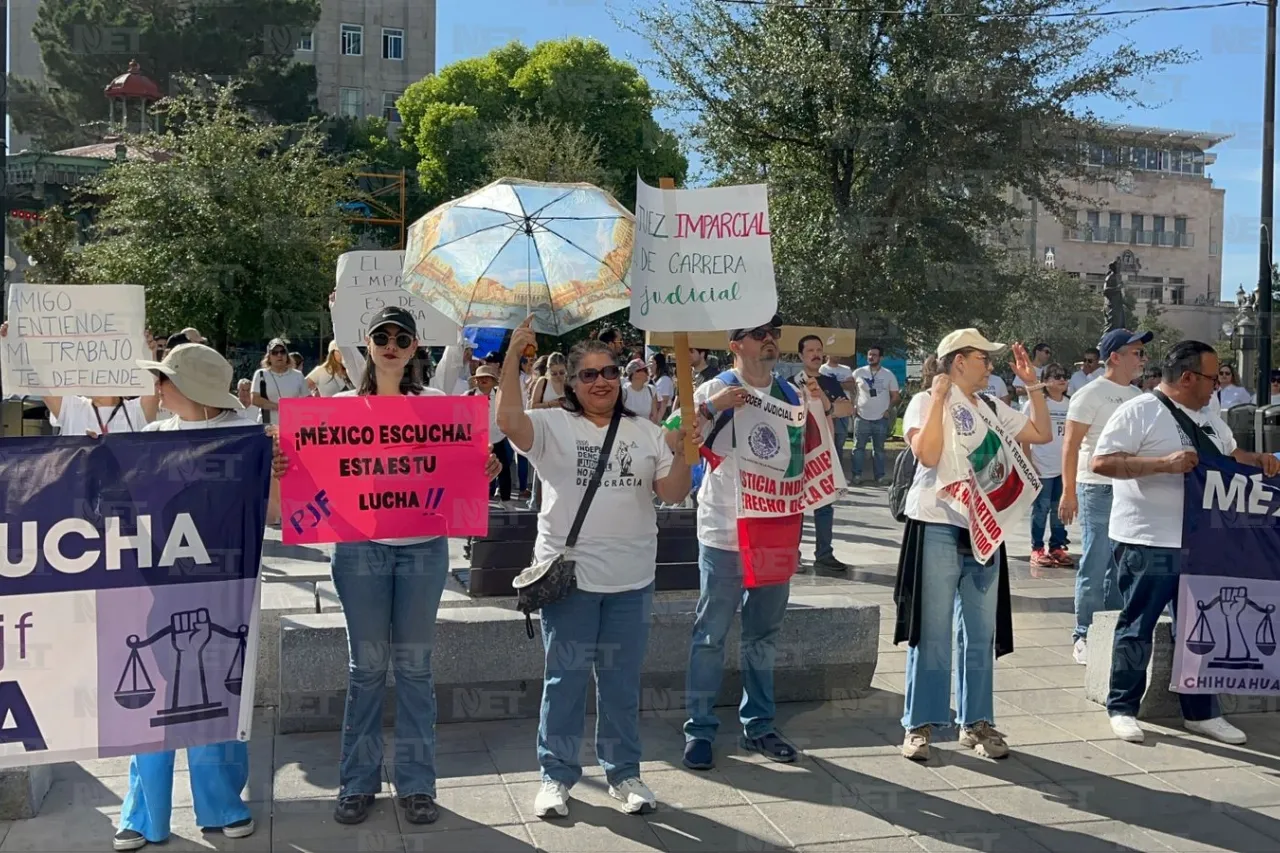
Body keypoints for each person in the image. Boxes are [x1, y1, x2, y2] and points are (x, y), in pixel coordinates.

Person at [498, 317, 694, 818]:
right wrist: (512, 360)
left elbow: (672, 495)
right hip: (571, 581)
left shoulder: (648, 433)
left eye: (608, 371)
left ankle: (624, 772)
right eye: (588, 374)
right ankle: (555, 775)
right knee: (564, 680)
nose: (601, 380)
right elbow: (508, 422)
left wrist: (686, 451)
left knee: (621, 683)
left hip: (632, 580)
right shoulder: (551, 425)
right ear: (571, 381)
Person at [328, 306, 501, 826]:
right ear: (367, 341)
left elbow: (467, 465)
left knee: (415, 667)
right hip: (359, 547)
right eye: (382, 334)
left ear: (414, 347)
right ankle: (356, 784)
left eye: (401, 337)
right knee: (367, 669)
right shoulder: (337, 408)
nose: (391, 343)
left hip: (425, 547)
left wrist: (485, 467)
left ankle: (418, 785)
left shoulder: (439, 406)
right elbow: (316, 474)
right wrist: (288, 466)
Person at [114, 341, 287, 851]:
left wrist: (275, 475)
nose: (157, 387)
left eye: (163, 378)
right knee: (152, 706)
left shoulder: (247, 438)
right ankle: (142, 815)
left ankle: (223, 807)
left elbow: (272, 517)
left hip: (225, 588)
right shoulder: (148, 439)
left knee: (220, 698)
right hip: (157, 590)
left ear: (187, 388)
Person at [1092, 340, 1280, 745]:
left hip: (1203, 541)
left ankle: (1201, 711)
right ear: (1189, 377)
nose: (1217, 385)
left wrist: (1258, 462)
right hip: (1149, 541)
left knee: (1199, 624)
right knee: (1137, 625)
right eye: (1212, 377)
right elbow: (1102, 462)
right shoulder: (1139, 410)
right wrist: (1163, 465)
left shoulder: (1211, 416)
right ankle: (1122, 706)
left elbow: (1231, 456)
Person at [895, 329, 1052, 762]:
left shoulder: (990, 405)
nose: (991, 365)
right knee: (933, 630)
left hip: (984, 528)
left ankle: (976, 722)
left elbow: (1040, 433)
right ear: (959, 361)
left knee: (980, 634)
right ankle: (919, 725)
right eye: (984, 358)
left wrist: (1032, 384)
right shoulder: (925, 401)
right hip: (938, 523)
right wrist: (941, 399)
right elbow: (926, 456)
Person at [683, 313, 822, 771]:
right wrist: (711, 408)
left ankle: (759, 725)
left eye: (774, 333)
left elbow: (811, 459)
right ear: (735, 344)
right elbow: (674, 443)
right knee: (710, 635)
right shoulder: (711, 388)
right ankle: (699, 729)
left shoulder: (790, 392)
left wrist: (821, 411)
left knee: (763, 636)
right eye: (759, 334)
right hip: (723, 530)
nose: (770, 341)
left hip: (774, 529)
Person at [1059, 329, 1150, 665]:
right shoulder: (1090, 393)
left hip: (1128, 489)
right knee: (1095, 562)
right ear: (1115, 356)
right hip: (1095, 487)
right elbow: (1070, 444)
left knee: (1119, 565)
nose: (1142, 359)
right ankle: (1083, 633)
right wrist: (1068, 491)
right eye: (1137, 352)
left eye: (1142, 353)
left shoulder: (1137, 395)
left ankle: (1109, 629)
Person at [0, 325, 161, 434]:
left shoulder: (136, 412)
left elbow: (153, 384)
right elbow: (36, 379)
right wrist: (14, 341)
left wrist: (149, 353)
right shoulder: (72, 407)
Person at [792, 334, 854, 571]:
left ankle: (824, 553)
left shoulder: (829, 382)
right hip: (798, 451)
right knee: (796, 504)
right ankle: (793, 553)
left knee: (825, 502)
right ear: (800, 355)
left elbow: (846, 408)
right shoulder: (789, 382)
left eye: (819, 350)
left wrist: (825, 401)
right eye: (810, 350)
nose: (816, 354)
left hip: (825, 450)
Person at [1020, 363, 1071, 571]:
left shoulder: (1071, 404)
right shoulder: (1036, 402)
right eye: (1056, 376)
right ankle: (1037, 548)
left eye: (1064, 376)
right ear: (1045, 381)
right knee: (1041, 508)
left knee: (1060, 509)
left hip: (1063, 467)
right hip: (1042, 466)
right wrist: (1028, 461)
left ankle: (1057, 546)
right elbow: (1023, 432)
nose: (1062, 380)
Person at [850, 345, 901, 484]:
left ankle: (880, 477)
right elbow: (851, 390)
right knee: (858, 448)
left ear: (881, 358)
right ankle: (856, 476)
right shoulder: (858, 373)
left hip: (880, 418)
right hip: (861, 416)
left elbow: (895, 396)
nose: (871, 357)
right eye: (869, 354)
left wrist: (888, 410)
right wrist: (853, 405)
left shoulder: (888, 374)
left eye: (874, 355)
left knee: (878, 450)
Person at [469, 363, 513, 505]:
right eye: (479, 378)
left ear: (493, 380)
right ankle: (479, 500)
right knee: (477, 472)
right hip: (477, 441)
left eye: (486, 378)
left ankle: (506, 500)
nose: (482, 381)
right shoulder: (467, 396)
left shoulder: (501, 395)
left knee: (504, 469)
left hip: (497, 438)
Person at [250, 338, 307, 425]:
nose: (279, 355)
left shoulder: (298, 375)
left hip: (292, 424)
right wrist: (279, 407)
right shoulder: (261, 374)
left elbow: (308, 399)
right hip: (268, 426)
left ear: (287, 355)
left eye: (282, 352)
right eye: (275, 353)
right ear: (269, 357)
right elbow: (255, 399)